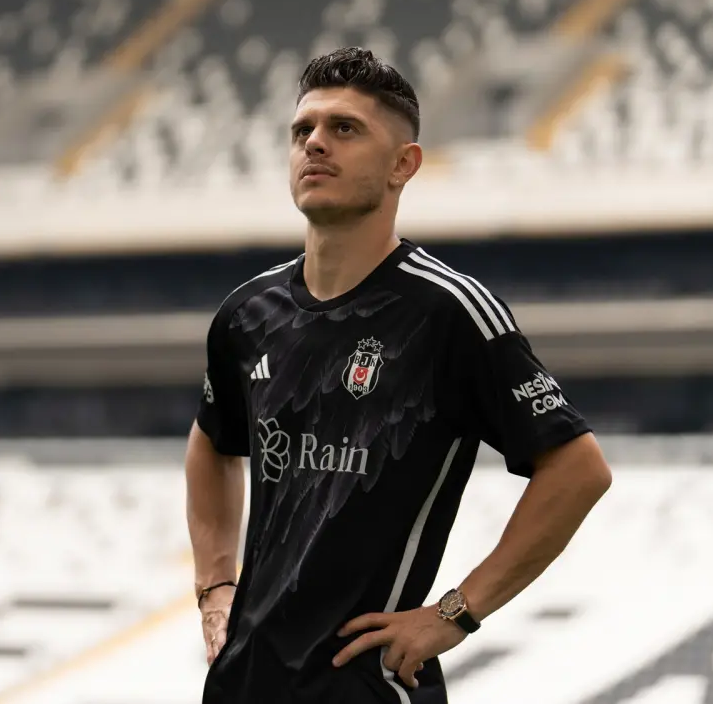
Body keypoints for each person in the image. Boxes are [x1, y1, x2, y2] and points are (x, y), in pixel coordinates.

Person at [185, 47, 612, 703]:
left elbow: (578, 469)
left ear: (402, 165)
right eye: (302, 131)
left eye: (344, 128)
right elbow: (212, 442)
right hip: (241, 683)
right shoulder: (246, 314)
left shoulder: (448, 312)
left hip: (368, 686)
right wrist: (215, 584)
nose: (315, 144)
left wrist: (454, 613)